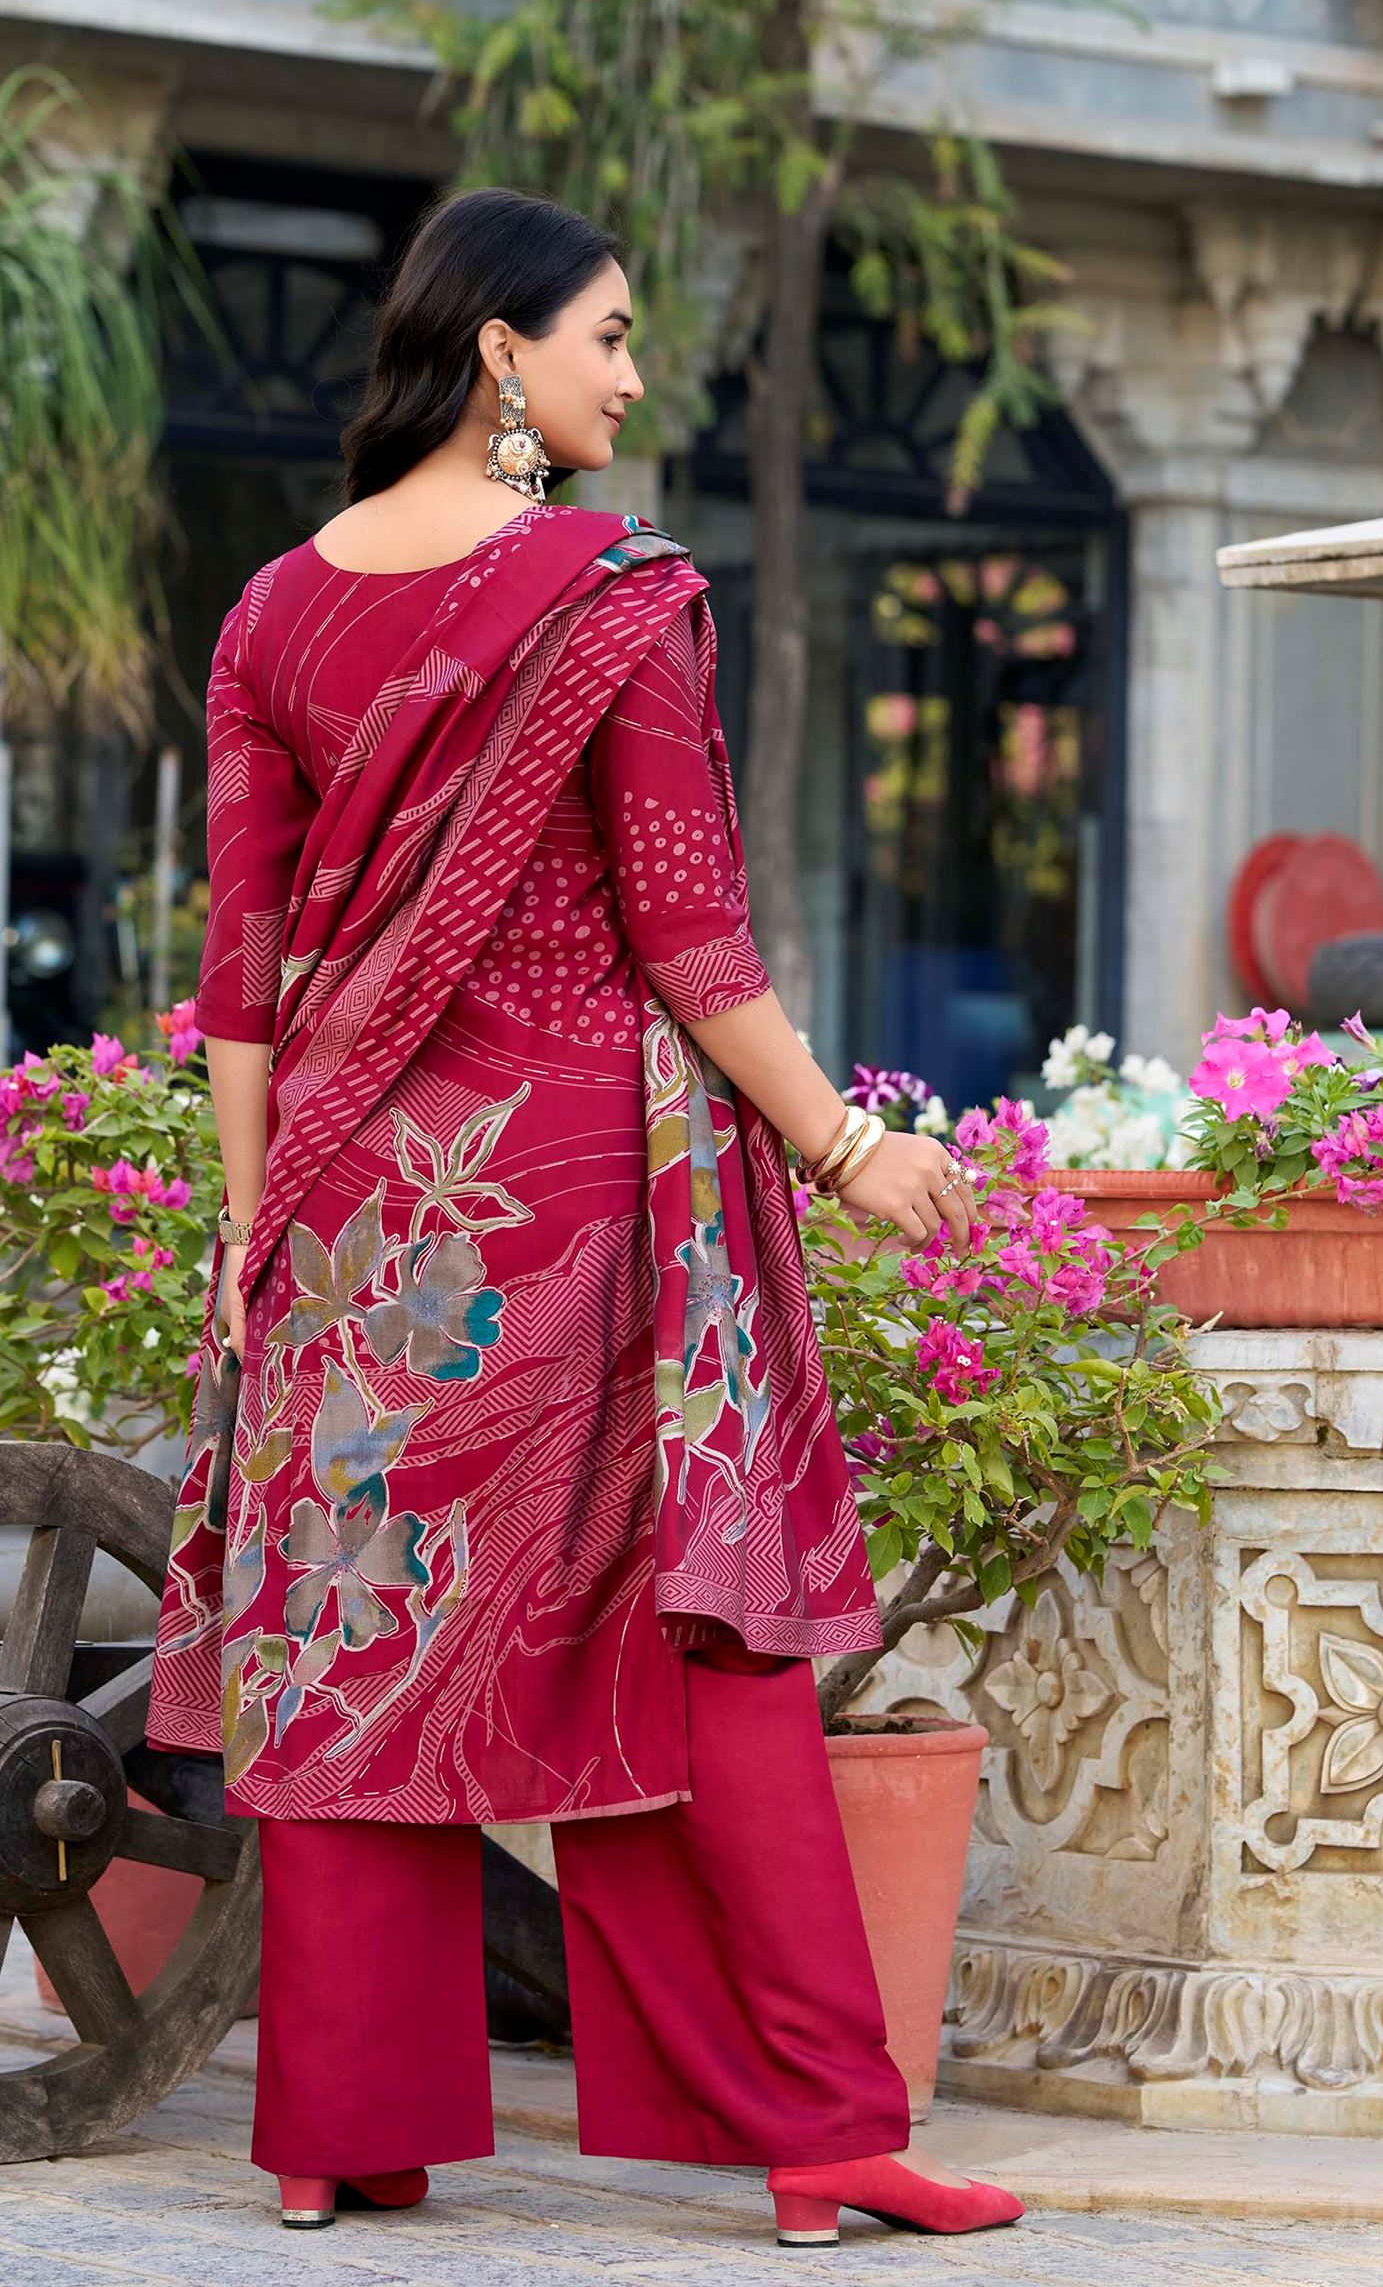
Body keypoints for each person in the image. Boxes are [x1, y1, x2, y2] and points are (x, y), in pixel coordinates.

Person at [147, 186, 1021, 2248]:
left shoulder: (271, 607)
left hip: (360, 1215)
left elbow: (243, 976)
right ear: (499, 358)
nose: (633, 376)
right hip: (580, 1206)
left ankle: (332, 2133)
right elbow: (697, 942)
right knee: (690, 1636)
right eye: (609, 335)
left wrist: (252, 1227)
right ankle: (820, 2131)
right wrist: (841, 1145)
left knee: (359, 1638)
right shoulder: (611, 598)